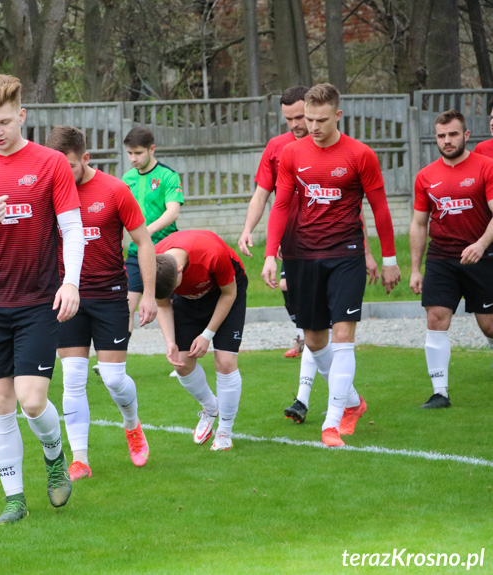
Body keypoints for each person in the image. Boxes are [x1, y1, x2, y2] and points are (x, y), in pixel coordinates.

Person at [0, 74, 84, 524]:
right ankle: (15, 500)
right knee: (0, 402)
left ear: (21, 115)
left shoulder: (50, 164)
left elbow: (71, 229)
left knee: (30, 399)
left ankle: (54, 454)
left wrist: (71, 282)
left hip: (38, 300)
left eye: (5, 121)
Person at [262, 83, 401, 447]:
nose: (314, 126)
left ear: (337, 115)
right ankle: (353, 403)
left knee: (343, 337)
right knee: (314, 340)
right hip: (303, 255)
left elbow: (380, 209)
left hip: (346, 253)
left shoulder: (360, 155)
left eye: (321, 120)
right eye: (308, 119)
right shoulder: (292, 153)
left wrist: (389, 260)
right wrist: (269, 254)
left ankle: (332, 421)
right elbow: (279, 206)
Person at [45, 125, 156, 480]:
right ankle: (80, 459)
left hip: (110, 295)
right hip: (68, 296)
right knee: (73, 378)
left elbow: (144, 242)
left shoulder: (114, 190)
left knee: (113, 379)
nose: (64, 175)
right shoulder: (47, 194)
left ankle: (131, 423)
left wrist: (149, 295)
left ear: (86, 159)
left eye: (71, 167)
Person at [409, 109, 493, 408]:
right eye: (441, 136)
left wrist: (482, 244)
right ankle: (440, 392)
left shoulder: (486, 167)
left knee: (489, 326)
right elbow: (419, 224)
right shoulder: (426, 176)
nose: (447, 140)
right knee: (436, 318)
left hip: (482, 257)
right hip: (442, 257)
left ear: (466, 135)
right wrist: (415, 269)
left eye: (453, 134)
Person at [154, 230, 247, 451]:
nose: (174, 292)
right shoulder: (154, 263)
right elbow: (163, 304)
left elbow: (229, 293)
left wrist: (207, 335)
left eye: (174, 287)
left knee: (225, 362)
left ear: (179, 270)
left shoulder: (211, 254)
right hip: (190, 301)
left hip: (225, 293)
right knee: (182, 362)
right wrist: (169, 341)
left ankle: (224, 432)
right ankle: (210, 407)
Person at [239, 86, 310, 359]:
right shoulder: (276, 147)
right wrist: (248, 229)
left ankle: (312, 339)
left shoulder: (327, 145)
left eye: (300, 117)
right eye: (288, 119)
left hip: (326, 235)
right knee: (287, 285)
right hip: (290, 236)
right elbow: (261, 194)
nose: (294, 124)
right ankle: (305, 336)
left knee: (316, 293)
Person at [121, 126, 183, 342]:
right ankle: (116, 361)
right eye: (129, 153)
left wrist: (146, 232)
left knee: (166, 303)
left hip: (166, 251)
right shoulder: (126, 178)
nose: (133, 158)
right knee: (125, 306)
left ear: (152, 149)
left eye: (138, 153)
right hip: (136, 253)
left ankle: (176, 353)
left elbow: (173, 212)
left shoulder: (168, 176)